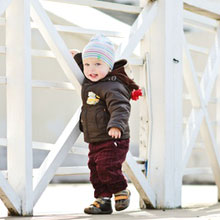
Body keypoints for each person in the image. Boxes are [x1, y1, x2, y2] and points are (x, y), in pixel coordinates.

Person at [71, 34, 142, 215]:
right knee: (95, 170)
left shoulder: (112, 86)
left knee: (107, 166)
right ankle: (102, 200)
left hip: (113, 136)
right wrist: (77, 57)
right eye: (87, 65)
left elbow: (121, 107)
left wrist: (116, 125)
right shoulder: (92, 79)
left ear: (109, 66)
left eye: (97, 65)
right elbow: (88, 64)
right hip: (95, 137)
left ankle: (121, 190)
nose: (90, 69)